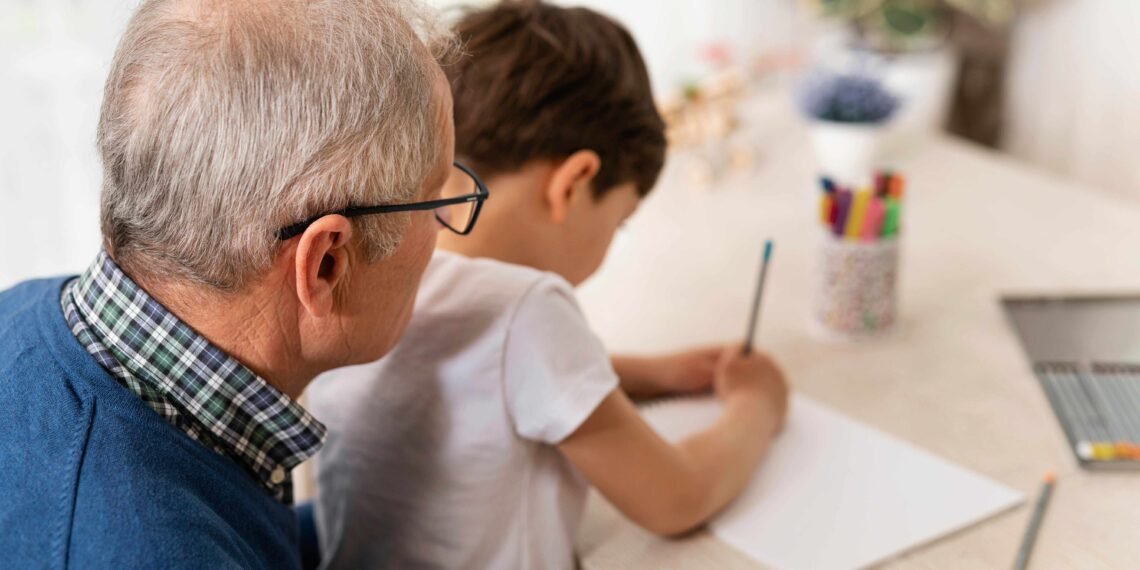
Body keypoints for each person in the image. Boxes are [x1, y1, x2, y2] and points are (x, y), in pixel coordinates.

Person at [305, 2, 790, 568]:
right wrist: (756, 406)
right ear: (575, 182)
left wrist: (656, 374)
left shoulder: (375, 272)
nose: (614, 239)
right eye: (620, 220)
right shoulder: (528, 309)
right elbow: (675, 498)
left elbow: (484, 379)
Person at [0, 0, 478, 568]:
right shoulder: (148, 550)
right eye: (439, 198)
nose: (444, 228)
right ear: (325, 263)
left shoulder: (30, 312)